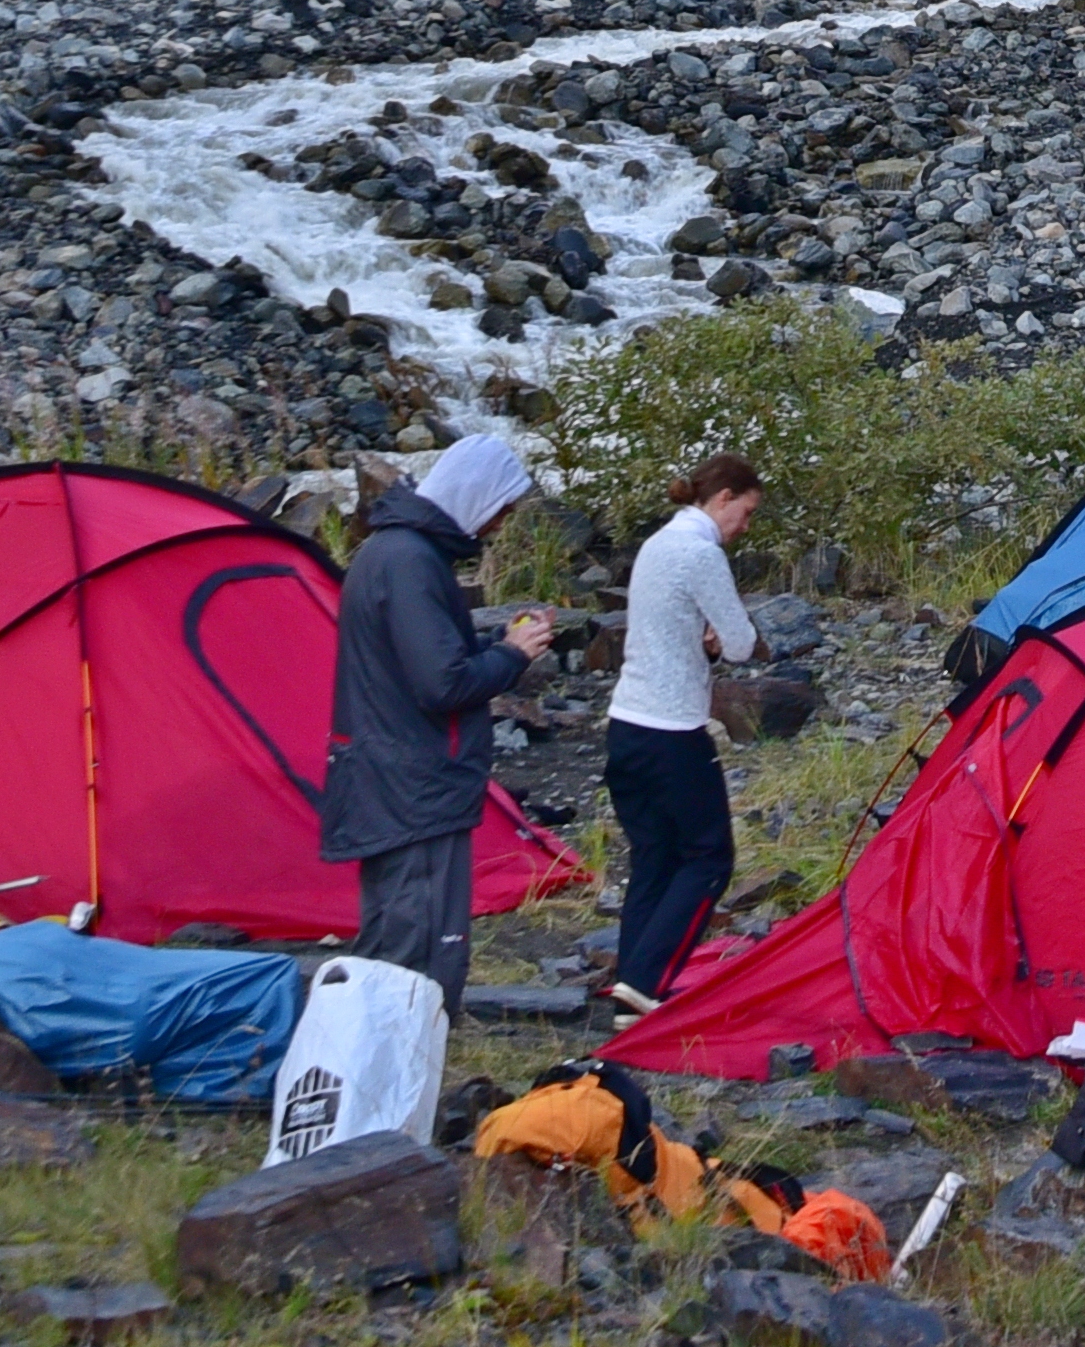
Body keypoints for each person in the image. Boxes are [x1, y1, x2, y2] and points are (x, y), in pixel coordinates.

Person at [311, 429, 558, 1011]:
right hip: (413, 784)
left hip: (395, 773)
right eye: (501, 508)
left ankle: (382, 1059)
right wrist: (513, 655)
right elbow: (440, 684)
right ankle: (391, 1065)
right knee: (415, 951)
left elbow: (426, 662)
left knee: (398, 933)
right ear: (475, 497)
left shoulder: (398, 553)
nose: (501, 523)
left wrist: (498, 644)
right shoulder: (410, 562)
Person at [600, 448, 769, 1015]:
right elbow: (742, 642)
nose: (744, 527)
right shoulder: (700, 552)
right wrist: (722, 640)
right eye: (744, 513)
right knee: (708, 858)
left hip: (625, 725)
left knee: (653, 857)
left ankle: (629, 982)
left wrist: (707, 638)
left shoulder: (655, 544)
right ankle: (646, 984)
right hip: (673, 730)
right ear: (722, 499)